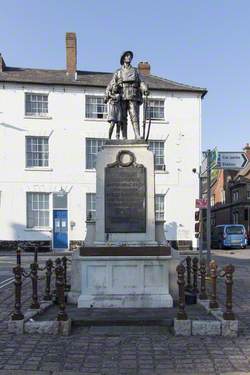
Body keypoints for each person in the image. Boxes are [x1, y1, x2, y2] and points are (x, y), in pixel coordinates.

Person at [106, 51, 149, 140]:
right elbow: (111, 84)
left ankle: (137, 135)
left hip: (133, 95)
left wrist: (145, 89)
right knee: (122, 117)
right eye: (127, 56)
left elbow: (141, 82)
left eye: (130, 56)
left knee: (134, 115)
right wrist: (107, 93)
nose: (129, 57)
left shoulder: (135, 71)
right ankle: (124, 136)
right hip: (122, 96)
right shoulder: (118, 72)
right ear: (123, 58)